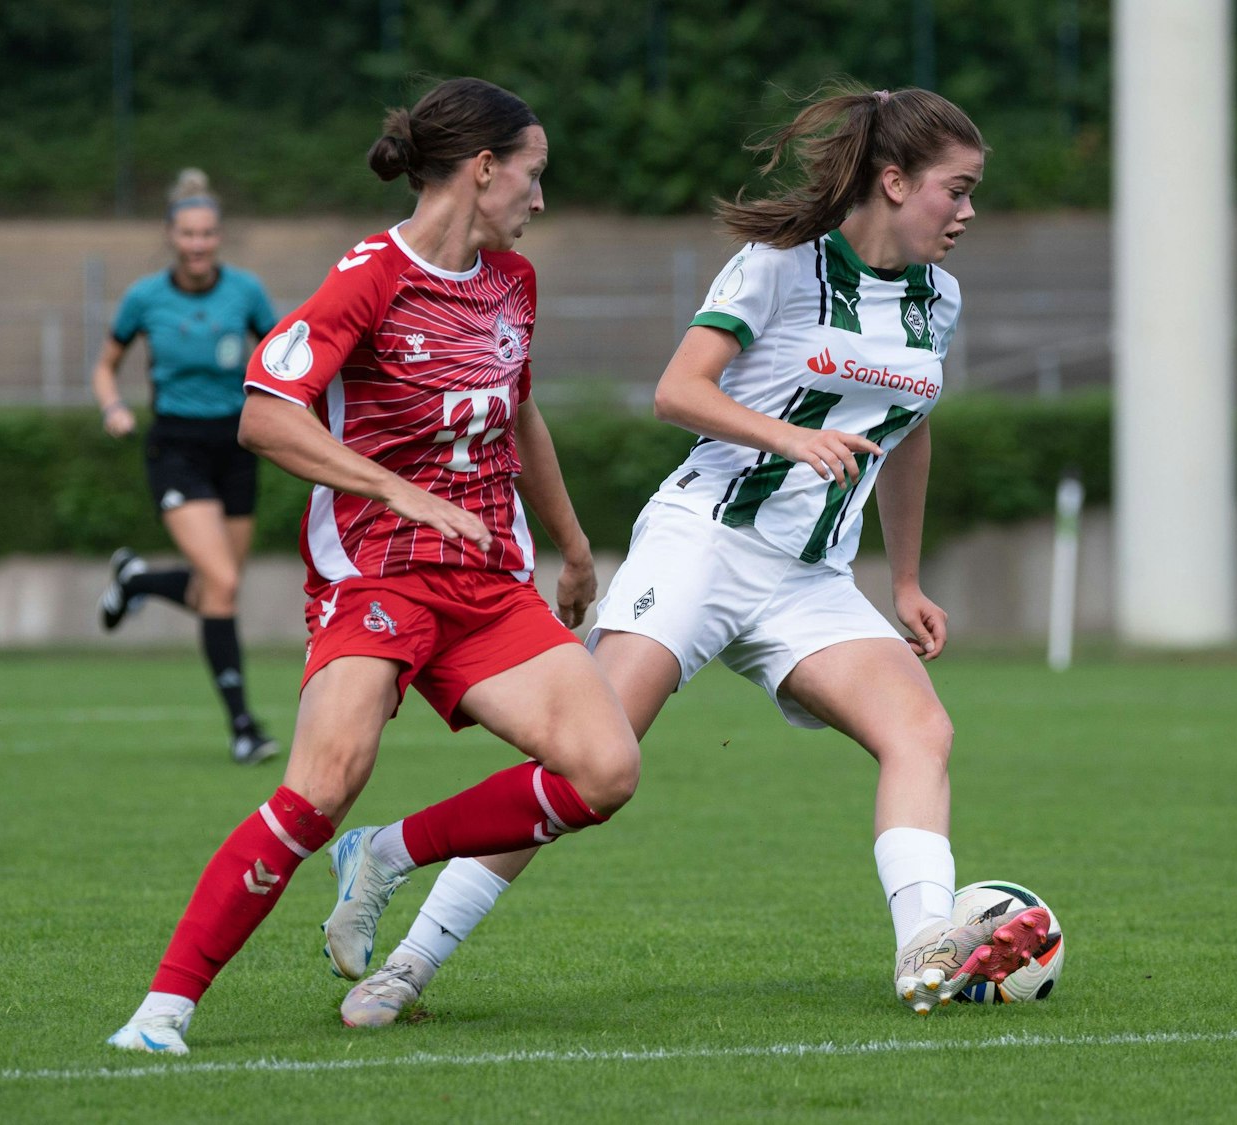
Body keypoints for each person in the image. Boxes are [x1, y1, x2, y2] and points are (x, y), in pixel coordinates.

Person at [329, 86, 1053, 1028]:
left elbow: (908, 433)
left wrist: (905, 578)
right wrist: (786, 439)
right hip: (704, 541)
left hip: (809, 580)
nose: (966, 213)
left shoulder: (938, 301)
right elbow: (678, 391)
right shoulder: (782, 268)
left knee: (923, 731)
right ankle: (402, 930)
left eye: (972, 195)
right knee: (591, 762)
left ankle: (923, 947)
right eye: (955, 191)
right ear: (893, 180)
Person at [106, 77, 640, 1056]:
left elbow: (518, 415)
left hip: (487, 584)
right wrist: (397, 491)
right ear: (483, 170)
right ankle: (162, 1014)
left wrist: (569, 544)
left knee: (605, 770)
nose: (539, 199)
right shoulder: (368, 276)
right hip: (375, 577)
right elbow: (264, 412)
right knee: (322, 782)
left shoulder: (511, 282)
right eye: (533, 175)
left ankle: (388, 855)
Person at [91, 168, 284, 765]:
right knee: (222, 586)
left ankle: (137, 582)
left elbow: (282, 355)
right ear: (172, 236)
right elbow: (105, 366)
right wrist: (114, 406)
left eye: (207, 234)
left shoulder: (245, 292)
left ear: (217, 237)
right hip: (175, 447)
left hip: (238, 446)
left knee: (213, 591)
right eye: (188, 234)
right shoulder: (144, 299)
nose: (198, 244)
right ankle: (244, 727)